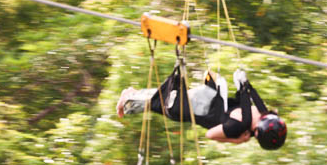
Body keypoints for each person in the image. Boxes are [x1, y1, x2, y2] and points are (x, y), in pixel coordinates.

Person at [116, 68, 287, 149]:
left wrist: (235, 141)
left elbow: (210, 134)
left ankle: (128, 101)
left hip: (186, 108)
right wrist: (244, 82)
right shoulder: (258, 114)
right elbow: (257, 102)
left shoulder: (240, 127)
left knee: (160, 100)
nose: (259, 113)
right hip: (205, 97)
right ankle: (132, 95)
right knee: (163, 95)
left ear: (258, 130)